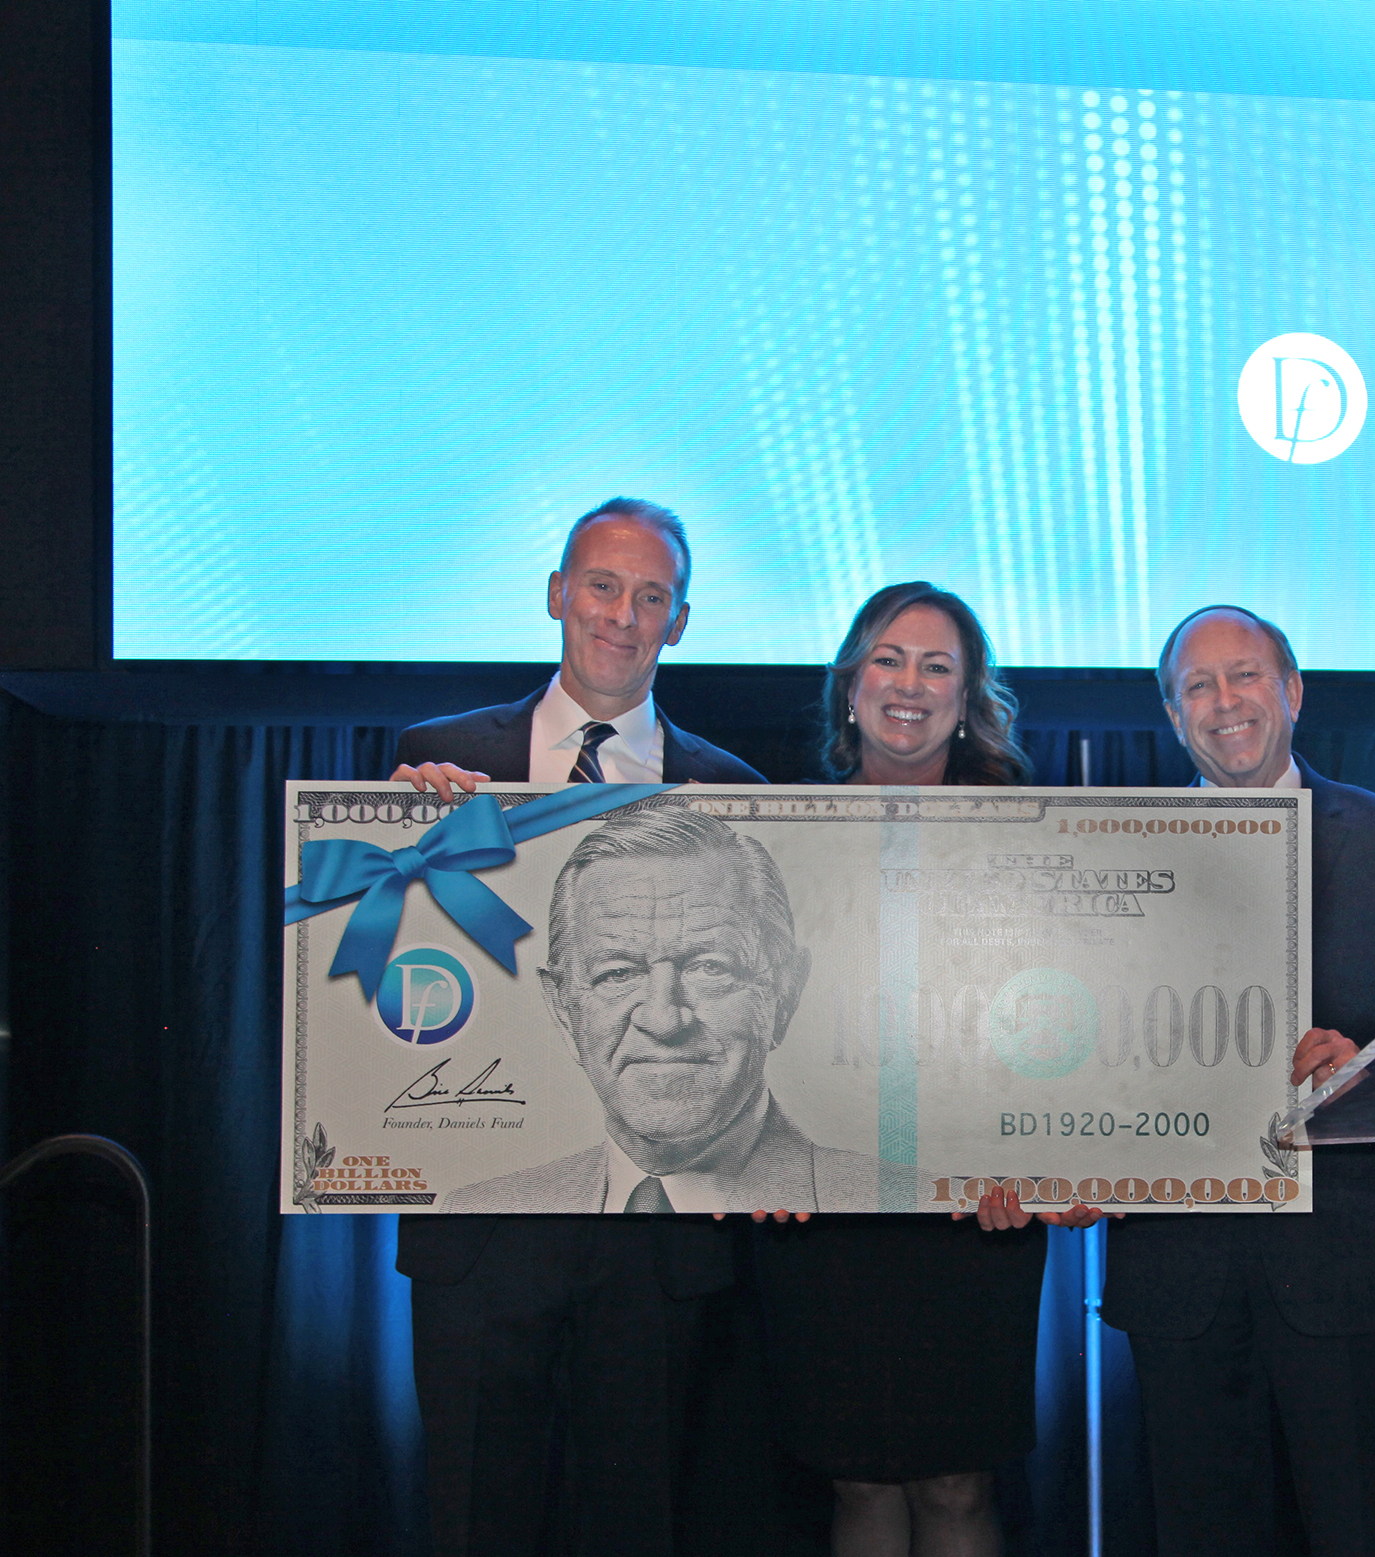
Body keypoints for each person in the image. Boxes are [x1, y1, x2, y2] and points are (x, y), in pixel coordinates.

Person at [389, 497, 765, 1557]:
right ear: (557, 595)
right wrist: (395, 833)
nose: (621, 615)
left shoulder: (732, 793)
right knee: (474, 1525)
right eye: (601, 586)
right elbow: (375, 965)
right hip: (478, 1228)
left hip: (655, 1241)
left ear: (679, 624)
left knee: (635, 1525)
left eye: (651, 597)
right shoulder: (435, 762)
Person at [1101, 604, 1375, 1557]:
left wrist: (1371, 1057)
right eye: (1196, 685)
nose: (1224, 701)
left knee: (1358, 1536)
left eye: (1245, 675)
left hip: (1349, 1272)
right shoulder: (1118, 853)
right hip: (1179, 1275)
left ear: (1292, 691)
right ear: (1171, 715)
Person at [752, 582, 1096, 1557]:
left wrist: (1042, 1156)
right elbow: (746, 1023)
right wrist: (751, 1160)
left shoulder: (1031, 842)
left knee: (955, 1484)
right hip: (824, 1215)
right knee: (856, 1483)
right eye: (889, 660)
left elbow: (1062, 1024)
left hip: (974, 1209)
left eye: (937, 666)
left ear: (967, 696)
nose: (910, 683)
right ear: (850, 686)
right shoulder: (778, 838)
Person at [444, 807, 884, 1213]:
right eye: (617, 974)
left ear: (784, 993)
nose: (663, 1020)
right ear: (563, 1008)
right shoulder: (475, 1209)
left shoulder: (911, 1203)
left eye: (710, 968)